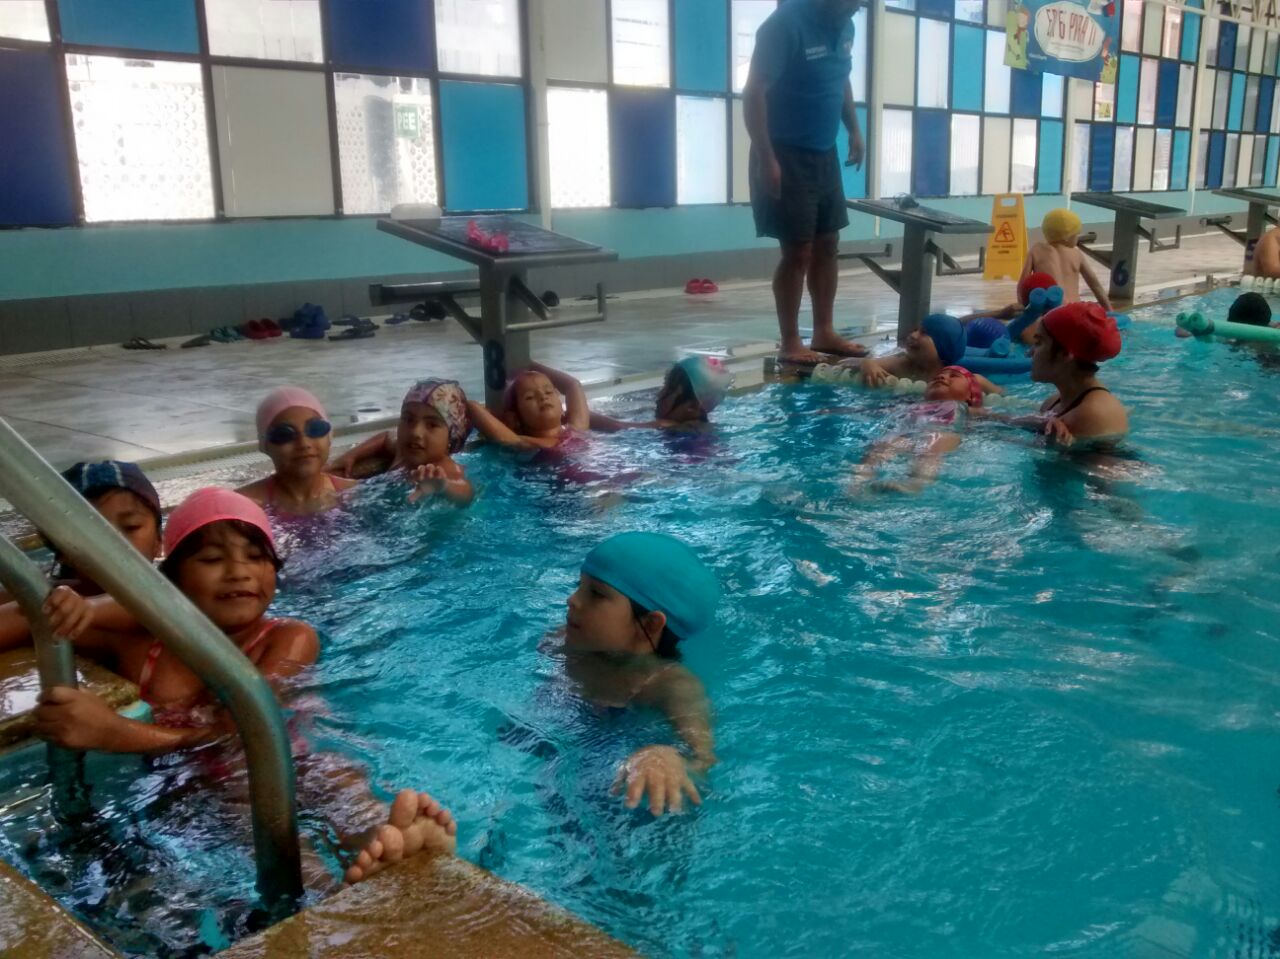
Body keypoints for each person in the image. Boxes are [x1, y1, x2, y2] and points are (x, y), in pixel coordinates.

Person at [21, 488, 456, 887]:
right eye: (212, 559)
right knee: (258, 826)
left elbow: (243, 729)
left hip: (297, 752)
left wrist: (116, 734)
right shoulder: (143, 646)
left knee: (339, 785)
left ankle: (389, 843)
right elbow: (24, 616)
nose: (238, 573)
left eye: (256, 557)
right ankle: (329, 895)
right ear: (172, 577)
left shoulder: (289, 637)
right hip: (212, 786)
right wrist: (72, 604)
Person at [556, 532, 720, 816]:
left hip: (622, 782)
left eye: (596, 594)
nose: (573, 600)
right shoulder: (569, 643)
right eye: (578, 586)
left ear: (652, 624)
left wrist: (669, 757)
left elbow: (704, 759)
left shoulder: (671, 685)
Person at [743, 0, 868, 364]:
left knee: (828, 243)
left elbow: (840, 77)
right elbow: (754, 91)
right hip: (784, 152)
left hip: (824, 151)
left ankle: (824, 330)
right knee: (798, 250)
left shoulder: (845, 25)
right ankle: (790, 340)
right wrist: (766, 156)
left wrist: (853, 129)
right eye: (849, 5)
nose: (853, 12)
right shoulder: (784, 25)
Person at [330, 379, 474, 505]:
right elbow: (386, 437)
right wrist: (351, 456)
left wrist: (444, 486)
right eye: (409, 419)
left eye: (431, 425)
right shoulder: (402, 453)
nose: (415, 432)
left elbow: (466, 493)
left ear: (451, 437)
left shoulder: (444, 469)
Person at [850, 366, 986, 494]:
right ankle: (857, 484)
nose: (941, 377)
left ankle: (915, 484)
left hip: (943, 434)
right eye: (936, 377)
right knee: (882, 445)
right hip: (908, 436)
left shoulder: (963, 407)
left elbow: (992, 417)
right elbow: (877, 412)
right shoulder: (914, 406)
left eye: (953, 376)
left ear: (970, 395)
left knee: (930, 443)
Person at [238, 387, 357, 514]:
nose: (304, 443)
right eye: (284, 434)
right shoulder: (244, 504)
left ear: (329, 436)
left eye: (316, 429)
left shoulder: (353, 493)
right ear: (264, 445)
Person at [1026, 303, 1128, 445]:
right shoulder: (1052, 403)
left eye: (1039, 342)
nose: (1029, 352)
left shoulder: (1095, 413)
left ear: (1066, 354)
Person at [842, 313, 1003, 395]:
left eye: (924, 333)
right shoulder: (901, 364)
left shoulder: (959, 379)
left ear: (943, 346)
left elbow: (1001, 395)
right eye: (915, 330)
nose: (913, 335)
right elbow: (870, 362)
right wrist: (868, 364)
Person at [466, 361, 590, 453]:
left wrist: (529, 363)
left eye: (548, 392)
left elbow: (573, 385)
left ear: (562, 408)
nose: (542, 396)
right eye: (530, 397)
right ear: (515, 418)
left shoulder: (577, 428)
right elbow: (473, 407)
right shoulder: (527, 444)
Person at [589, 356, 734, 433]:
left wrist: (583, 409)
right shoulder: (705, 426)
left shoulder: (666, 425)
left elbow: (617, 426)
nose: (659, 392)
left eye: (669, 389)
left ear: (692, 407)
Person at [1022, 208, 1112, 311]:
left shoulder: (1036, 250)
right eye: (1076, 234)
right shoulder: (1076, 253)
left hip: (1052, 312)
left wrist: (1024, 308)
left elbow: (1023, 284)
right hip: (1076, 309)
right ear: (1067, 237)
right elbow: (1095, 285)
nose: (1077, 238)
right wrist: (1110, 310)